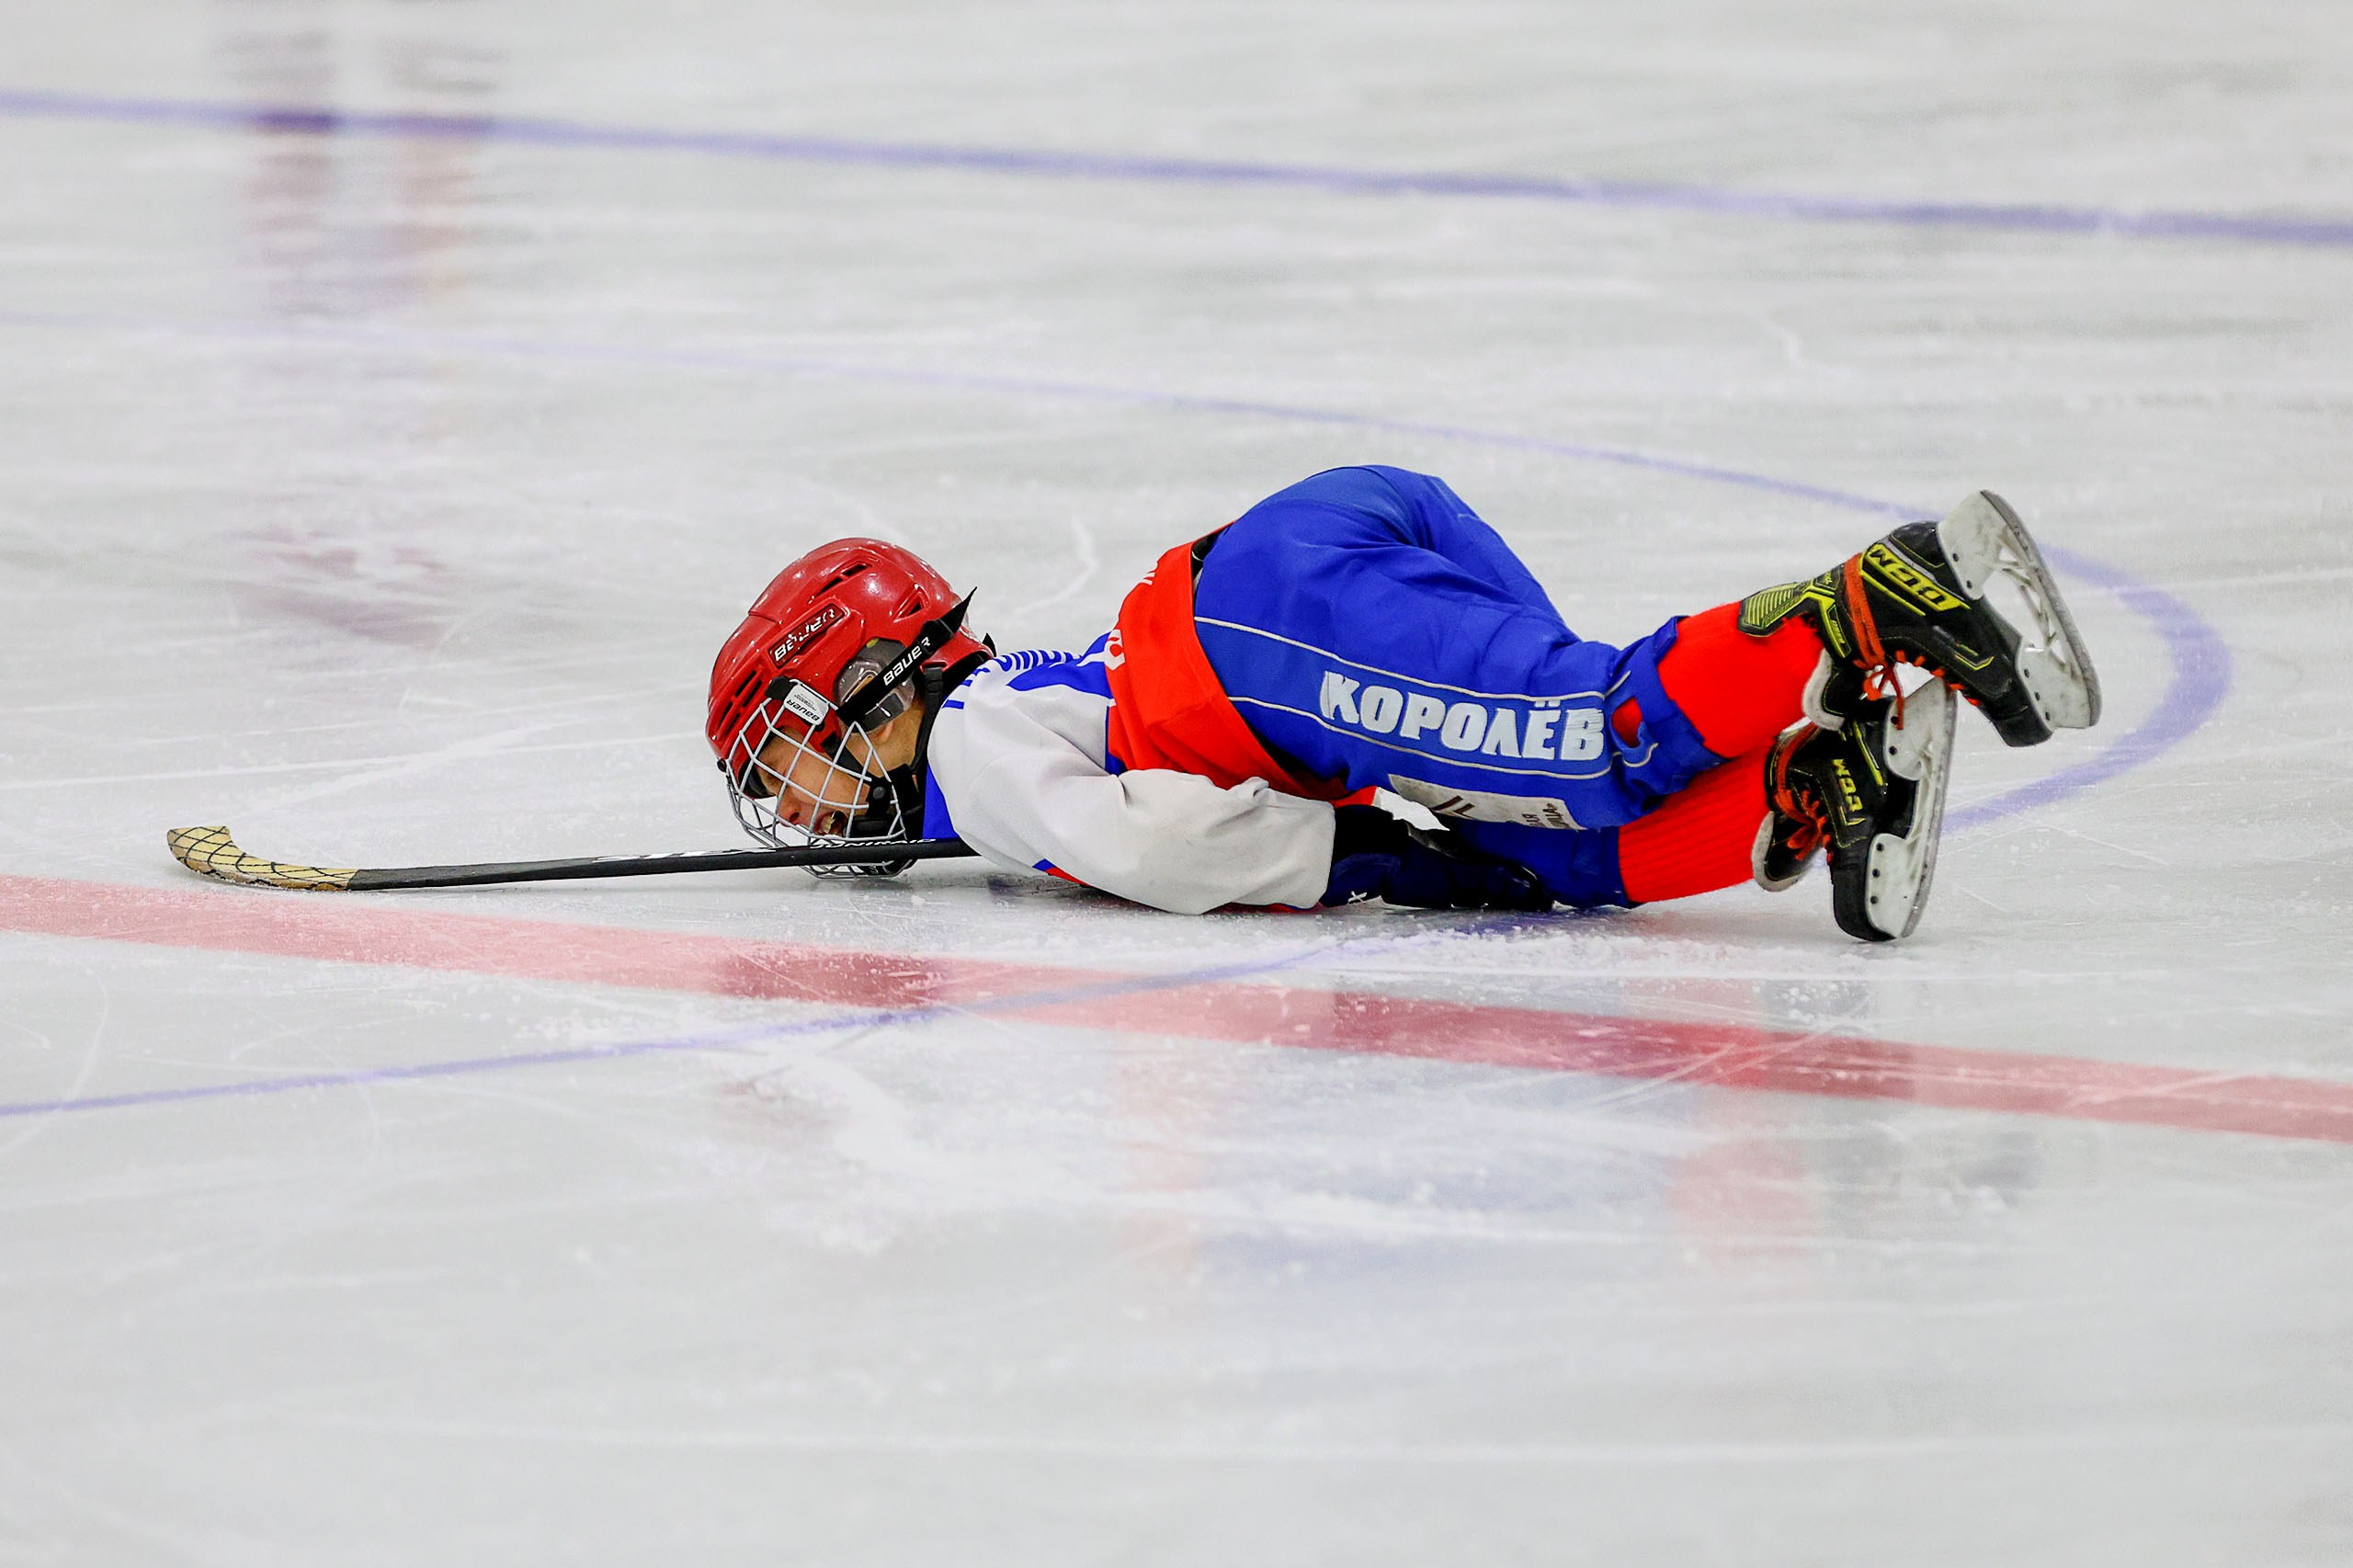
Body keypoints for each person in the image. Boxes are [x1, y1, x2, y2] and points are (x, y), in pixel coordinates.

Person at [704, 467, 2100, 941]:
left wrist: (1359, 860)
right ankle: (1827, 782)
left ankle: (1885, 595)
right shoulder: (991, 710)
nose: (786, 801)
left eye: (789, 754)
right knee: (1544, 842)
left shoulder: (964, 744)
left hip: (1276, 624)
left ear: (868, 694)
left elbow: (1154, 848)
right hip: (1284, 591)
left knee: (1591, 739)